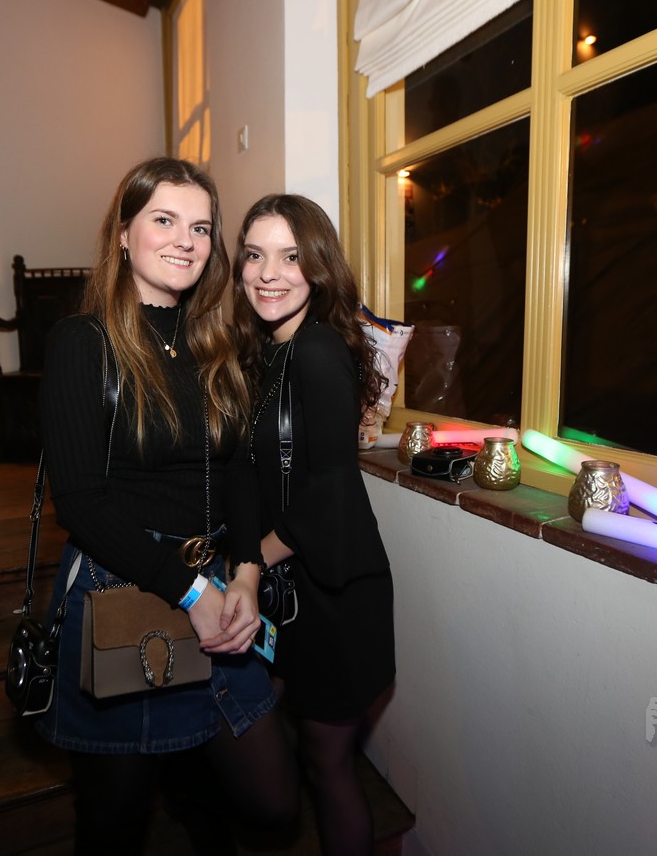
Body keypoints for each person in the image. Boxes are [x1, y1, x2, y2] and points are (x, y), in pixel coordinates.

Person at [36, 158, 297, 854]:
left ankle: (188, 786)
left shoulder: (216, 344)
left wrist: (245, 574)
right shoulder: (84, 343)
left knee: (271, 803)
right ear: (123, 234)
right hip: (122, 585)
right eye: (164, 219)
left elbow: (239, 474)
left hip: (215, 578)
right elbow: (80, 503)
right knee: (114, 825)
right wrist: (190, 591)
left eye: (201, 227)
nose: (185, 239)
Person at [230, 194, 396, 856]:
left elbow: (329, 490)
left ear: (319, 267)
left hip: (335, 594)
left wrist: (249, 564)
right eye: (255, 255)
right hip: (294, 587)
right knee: (301, 757)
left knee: (328, 766)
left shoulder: (318, 349)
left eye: (290, 256)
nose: (269, 273)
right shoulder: (268, 351)